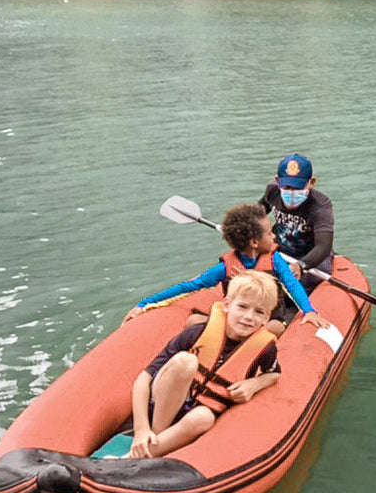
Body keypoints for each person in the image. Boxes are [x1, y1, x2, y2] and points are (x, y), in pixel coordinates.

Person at [125, 270, 282, 459]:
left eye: (259, 312)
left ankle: (142, 454)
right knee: (186, 361)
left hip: (194, 415)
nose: (249, 317)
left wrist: (254, 384)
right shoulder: (196, 333)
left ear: (266, 318)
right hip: (163, 404)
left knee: (205, 417)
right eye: (242, 307)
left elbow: (274, 373)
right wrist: (141, 429)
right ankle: (151, 441)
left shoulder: (265, 349)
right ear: (226, 305)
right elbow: (144, 378)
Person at [125, 202, 331, 335]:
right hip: (235, 318)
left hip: (265, 317)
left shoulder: (275, 261)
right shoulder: (226, 267)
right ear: (254, 242)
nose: (275, 237)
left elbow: (293, 285)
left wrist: (309, 312)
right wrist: (146, 303)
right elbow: (190, 286)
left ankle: (243, 350)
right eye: (269, 233)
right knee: (194, 321)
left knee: (274, 328)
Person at [259, 153, 334, 293]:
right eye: (287, 187)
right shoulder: (272, 192)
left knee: (294, 286)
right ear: (277, 180)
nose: (292, 192)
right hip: (280, 251)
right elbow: (256, 214)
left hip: (309, 257)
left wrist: (301, 265)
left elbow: (323, 246)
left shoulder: (321, 206)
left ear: (312, 183)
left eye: (298, 188)